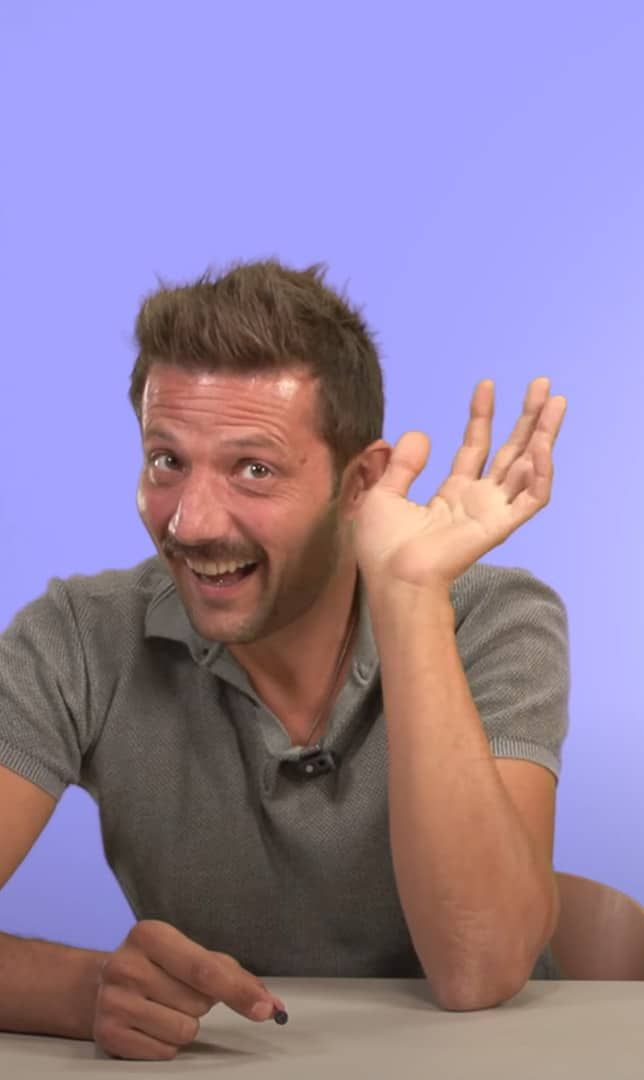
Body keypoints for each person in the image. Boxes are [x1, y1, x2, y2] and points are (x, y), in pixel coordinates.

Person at [0, 260, 572, 1058]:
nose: (192, 523)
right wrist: (83, 991)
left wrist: (409, 600)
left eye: (253, 469)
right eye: (168, 461)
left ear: (360, 481)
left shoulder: (495, 616)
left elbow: (477, 969)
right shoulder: (76, 636)